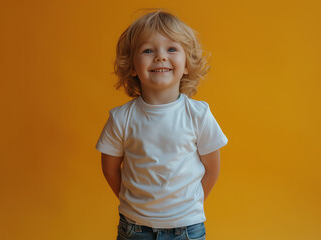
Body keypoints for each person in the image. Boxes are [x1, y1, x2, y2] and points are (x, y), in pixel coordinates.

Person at [96, 9, 228, 240]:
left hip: (187, 229)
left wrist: (191, 204)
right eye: (148, 50)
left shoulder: (198, 114)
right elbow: (109, 167)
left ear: (186, 64)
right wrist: (133, 204)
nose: (160, 56)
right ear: (133, 67)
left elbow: (212, 167)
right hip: (135, 229)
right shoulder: (121, 118)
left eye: (172, 49)